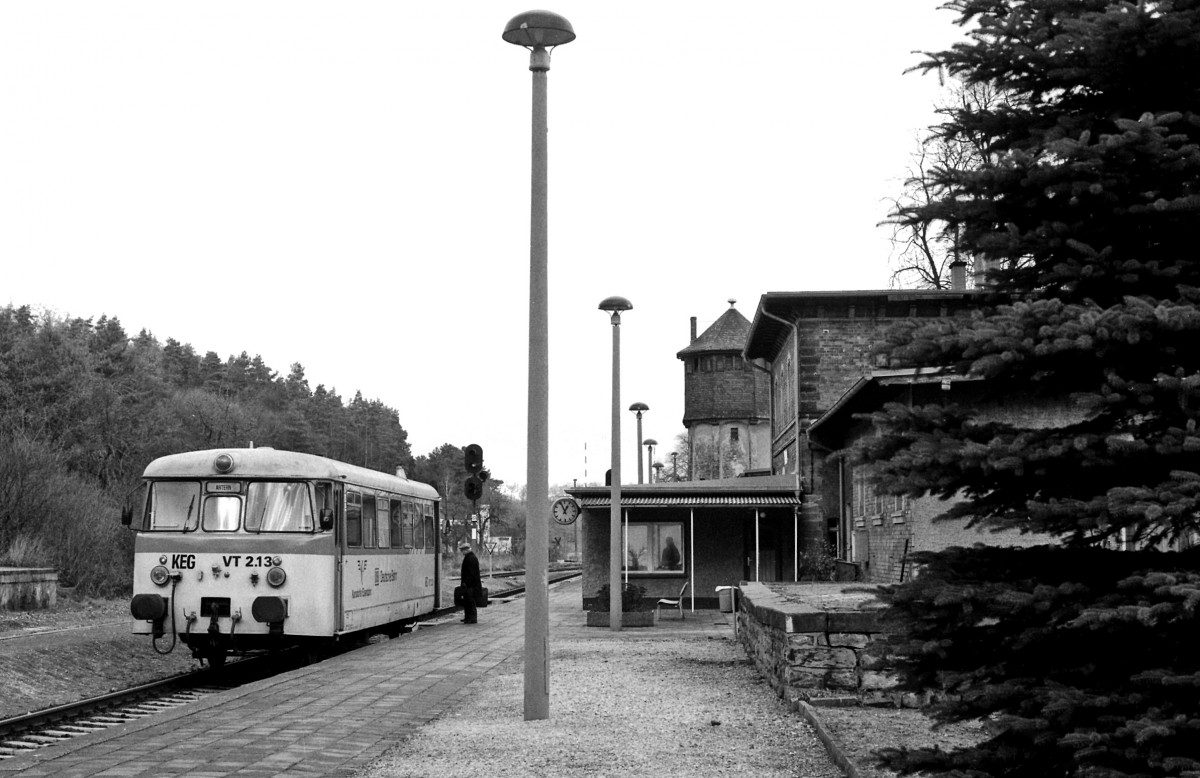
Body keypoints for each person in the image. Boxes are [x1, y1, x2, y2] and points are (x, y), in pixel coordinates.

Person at [459, 540, 481, 624]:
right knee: (468, 601)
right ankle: (468, 617)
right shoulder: (470, 557)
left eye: (462, 550)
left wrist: (466, 583)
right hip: (470, 584)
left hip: (470, 585)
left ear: (466, 550)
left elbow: (470, 573)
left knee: (470, 601)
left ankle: (471, 618)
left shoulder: (470, 558)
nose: (462, 552)